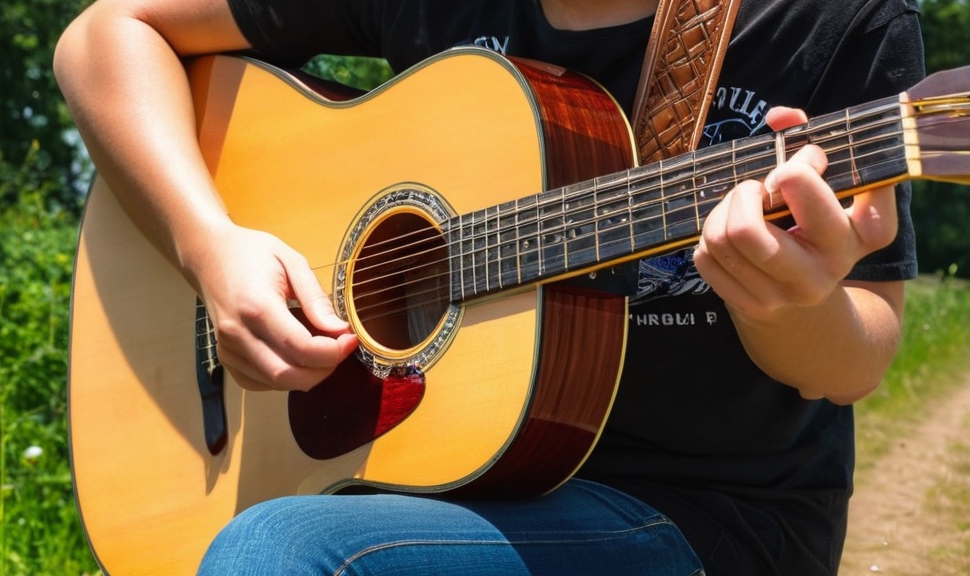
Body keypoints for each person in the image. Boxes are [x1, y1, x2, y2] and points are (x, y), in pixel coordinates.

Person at [53, 0, 925, 574]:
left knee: (285, 555)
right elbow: (106, 35)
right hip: (430, 483)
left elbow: (853, 362)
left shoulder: (829, 18)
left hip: (701, 512)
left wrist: (785, 300)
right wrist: (210, 248)